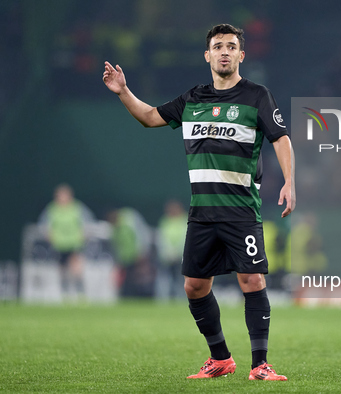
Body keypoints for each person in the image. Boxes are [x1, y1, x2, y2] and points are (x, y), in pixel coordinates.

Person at [103, 24, 295, 381]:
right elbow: (149, 117)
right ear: (207, 55)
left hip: (241, 211)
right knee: (194, 286)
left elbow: (281, 139)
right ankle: (220, 358)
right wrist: (123, 91)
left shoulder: (257, 96)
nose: (224, 51)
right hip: (203, 214)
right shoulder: (193, 100)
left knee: (251, 279)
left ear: (241, 55)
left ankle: (260, 364)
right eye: (218, 46)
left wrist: (289, 181)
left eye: (231, 46)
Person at [39, 184, 94, 300]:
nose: (62, 198)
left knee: (76, 269)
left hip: (74, 243)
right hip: (59, 245)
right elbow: (44, 225)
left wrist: (84, 234)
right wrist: (49, 235)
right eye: (59, 195)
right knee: (62, 270)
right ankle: (65, 294)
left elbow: (88, 222)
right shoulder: (52, 209)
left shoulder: (77, 208)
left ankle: (81, 294)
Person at [156, 199, 188, 300]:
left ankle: (182, 299)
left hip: (182, 257)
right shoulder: (165, 220)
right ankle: (163, 299)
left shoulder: (185, 219)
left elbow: (186, 237)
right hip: (167, 257)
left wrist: (178, 252)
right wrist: (167, 252)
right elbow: (161, 237)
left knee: (181, 279)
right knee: (165, 279)